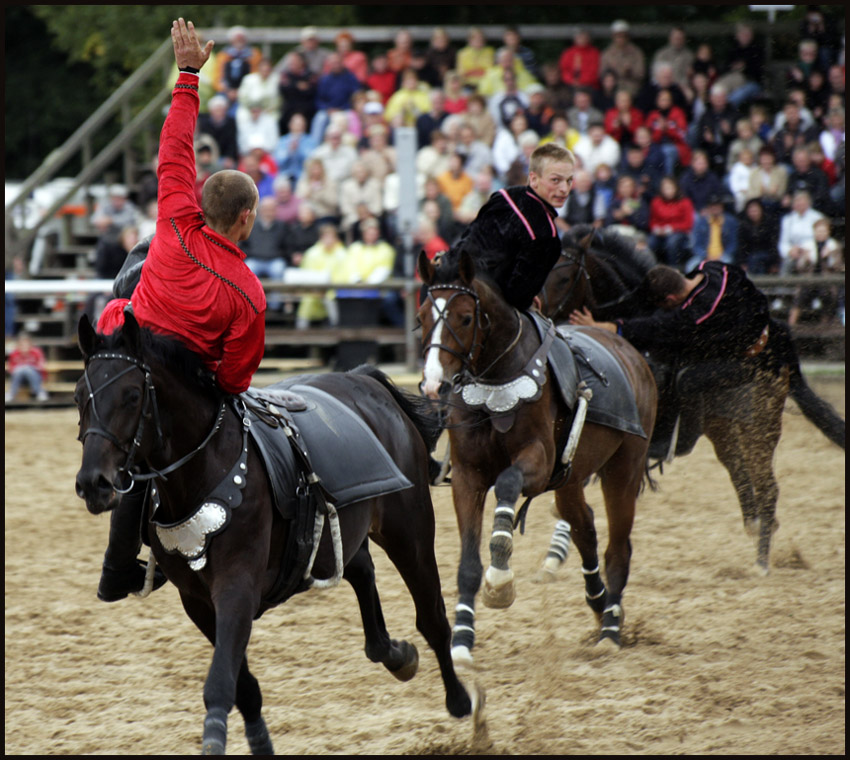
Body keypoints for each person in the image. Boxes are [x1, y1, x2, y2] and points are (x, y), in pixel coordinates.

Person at [94, 19, 267, 603]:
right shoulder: (247, 292)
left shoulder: (173, 217)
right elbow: (236, 377)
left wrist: (188, 75)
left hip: (119, 347)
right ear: (244, 218)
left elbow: (175, 144)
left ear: (199, 202)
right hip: (169, 381)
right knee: (202, 425)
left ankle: (118, 569)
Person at [568, 261, 772, 444]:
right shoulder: (712, 267)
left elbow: (658, 326)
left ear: (671, 298)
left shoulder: (696, 312)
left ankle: (682, 437)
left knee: (685, 379)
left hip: (747, 348)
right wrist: (602, 313)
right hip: (751, 317)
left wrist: (607, 326)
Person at [451, 143, 576, 311]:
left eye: (569, 181)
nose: (564, 189)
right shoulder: (548, 237)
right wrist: (528, 298)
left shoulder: (504, 195)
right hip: (487, 313)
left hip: (452, 288)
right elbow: (517, 298)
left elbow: (465, 242)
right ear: (533, 179)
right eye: (556, 180)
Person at [239, 196, 289, 310]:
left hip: (274, 260)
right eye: (266, 209)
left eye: (271, 209)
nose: (268, 212)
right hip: (255, 259)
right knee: (248, 269)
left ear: (276, 210)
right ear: (260, 210)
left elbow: (287, 246)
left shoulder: (283, 226)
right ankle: (251, 303)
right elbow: (244, 245)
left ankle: (275, 306)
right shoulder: (251, 226)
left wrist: (279, 254)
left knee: (278, 269)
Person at [647, 176, 694, 268]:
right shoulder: (656, 202)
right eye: (665, 189)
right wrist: (656, 229)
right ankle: (653, 267)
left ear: (676, 188)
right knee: (651, 242)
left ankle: (674, 267)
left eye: (670, 188)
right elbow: (652, 221)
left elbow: (688, 223)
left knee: (672, 242)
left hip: (679, 232)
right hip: (660, 232)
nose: (668, 191)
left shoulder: (685, 202)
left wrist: (672, 228)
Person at [777, 190, 825, 275]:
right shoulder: (788, 219)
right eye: (797, 201)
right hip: (795, 253)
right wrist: (790, 251)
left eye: (802, 201)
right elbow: (783, 242)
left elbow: (822, 237)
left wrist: (808, 249)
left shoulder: (817, 217)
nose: (799, 204)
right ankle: (783, 288)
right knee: (787, 263)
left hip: (814, 250)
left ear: (808, 202)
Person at [688, 193, 739, 271]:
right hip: (704, 256)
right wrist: (706, 256)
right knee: (691, 266)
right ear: (708, 208)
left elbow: (733, 244)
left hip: (724, 256)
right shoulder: (701, 222)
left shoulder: (730, 222)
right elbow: (696, 244)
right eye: (712, 206)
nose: (715, 208)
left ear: (722, 207)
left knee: (728, 264)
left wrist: (721, 256)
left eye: (717, 205)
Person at [599, 20, 645, 97]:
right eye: (618, 36)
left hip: (632, 91)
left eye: (623, 35)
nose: (620, 38)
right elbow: (602, 74)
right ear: (613, 36)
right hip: (613, 91)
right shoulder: (607, 53)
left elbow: (641, 73)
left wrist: (630, 72)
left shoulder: (636, 52)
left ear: (627, 36)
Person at [737, 198, 780, 274]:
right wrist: (742, 262)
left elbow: (773, 244)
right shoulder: (744, 226)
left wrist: (774, 263)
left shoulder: (770, 224)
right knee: (755, 260)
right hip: (751, 256)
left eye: (755, 211)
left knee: (758, 259)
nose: (754, 214)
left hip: (767, 255)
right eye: (751, 211)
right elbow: (742, 246)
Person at [5, 332, 48, 403]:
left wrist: (28, 367)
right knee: (20, 370)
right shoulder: (14, 353)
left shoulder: (36, 352)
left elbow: (41, 366)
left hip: (35, 377)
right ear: (19, 344)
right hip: (19, 378)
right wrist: (22, 368)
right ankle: (11, 394)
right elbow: (11, 369)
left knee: (28, 369)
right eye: (22, 344)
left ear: (30, 344)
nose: (24, 346)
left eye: (26, 343)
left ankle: (40, 392)